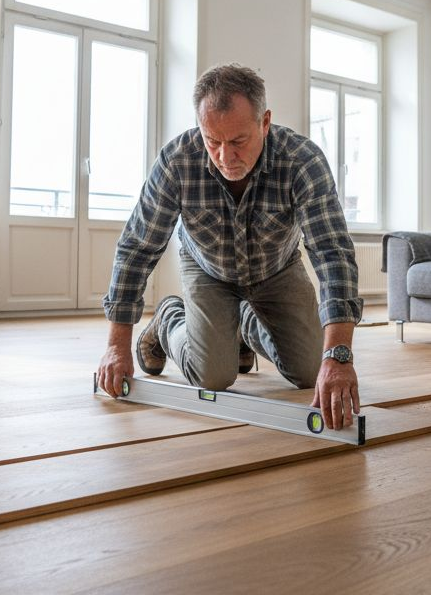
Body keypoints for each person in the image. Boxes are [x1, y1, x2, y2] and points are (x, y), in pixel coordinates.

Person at [95, 63, 363, 431]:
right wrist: (117, 344)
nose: (224, 156)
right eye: (212, 141)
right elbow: (138, 247)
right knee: (213, 377)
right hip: (208, 267)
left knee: (309, 370)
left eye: (238, 141)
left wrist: (339, 355)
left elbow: (332, 253)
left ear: (264, 122)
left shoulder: (302, 161)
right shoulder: (177, 161)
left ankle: (243, 326)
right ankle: (169, 319)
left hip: (277, 268)